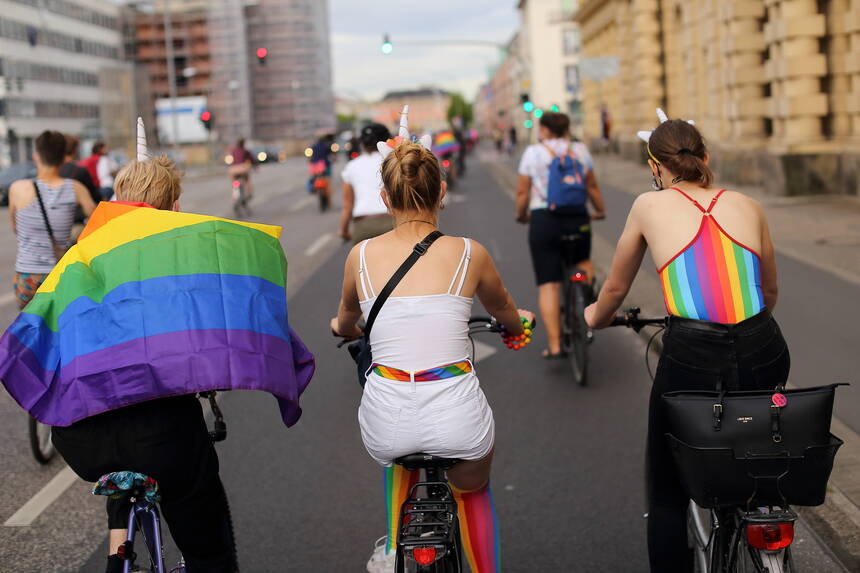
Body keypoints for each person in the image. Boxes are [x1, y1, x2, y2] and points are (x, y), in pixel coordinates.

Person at [584, 112, 788, 573]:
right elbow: (768, 292)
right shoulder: (748, 204)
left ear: (655, 166)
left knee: (667, 487)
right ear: (705, 156)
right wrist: (744, 339)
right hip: (764, 346)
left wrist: (594, 318)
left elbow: (615, 291)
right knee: (760, 427)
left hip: (692, 355)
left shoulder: (647, 206)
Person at [331, 123, 534, 573]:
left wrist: (340, 325)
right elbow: (504, 310)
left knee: (399, 445)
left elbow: (346, 320)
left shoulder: (359, 257)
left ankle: (394, 546)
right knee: (473, 493)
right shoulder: (469, 252)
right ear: (442, 191)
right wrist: (519, 325)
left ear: (385, 198)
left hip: (388, 421)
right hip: (458, 418)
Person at [50, 156, 240, 573]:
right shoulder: (184, 262)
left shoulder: (78, 257)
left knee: (124, 465)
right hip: (164, 437)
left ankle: (119, 555)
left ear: (116, 200)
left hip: (81, 437)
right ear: (174, 208)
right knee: (208, 542)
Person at [515, 111, 606, 358]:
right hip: (577, 217)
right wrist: (600, 210)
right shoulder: (580, 151)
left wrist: (522, 214)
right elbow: (592, 186)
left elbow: (523, 192)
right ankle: (586, 303)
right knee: (583, 261)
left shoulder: (533, 153)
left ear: (543, 129)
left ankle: (555, 346)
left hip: (544, 220)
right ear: (566, 129)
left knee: (549, 284)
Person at [7, 130, 96, 309]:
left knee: (31, 330)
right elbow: (98, 225)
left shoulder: (17, 189)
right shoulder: (76, 189)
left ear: (36, 157)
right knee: (59, 329)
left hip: (27, 277)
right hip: (59, 275)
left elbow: (15, 227)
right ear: (64, 158)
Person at [338, 123, 394, 243]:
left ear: (362, 143)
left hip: (364, 226)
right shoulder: (394, 162)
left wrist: (344, 231)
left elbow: (347, 206)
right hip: (393, 222)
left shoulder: (351, 166)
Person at [59, 134, 101, 206]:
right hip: (78, 214)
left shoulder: (54, 171)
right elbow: (94, 196)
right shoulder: (80, 171)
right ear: (74, 150)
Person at [308, 134, 335, 210]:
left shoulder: (313, 146)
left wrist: (311, 162)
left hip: (315, 167)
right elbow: (332, 156)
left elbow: (309, 157)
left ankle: (315, 190)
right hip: (325, 167)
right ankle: (329, 202)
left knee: (315, 180)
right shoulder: (327, 146)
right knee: (328, 184)